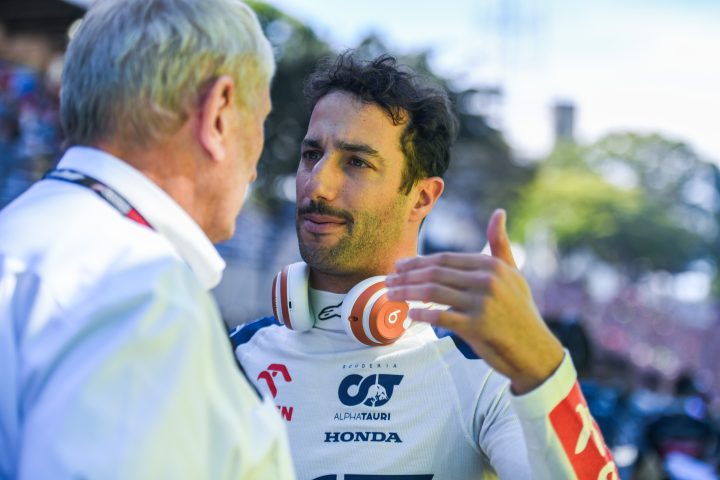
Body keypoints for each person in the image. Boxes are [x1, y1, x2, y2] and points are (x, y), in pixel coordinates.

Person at [232, 52, 619, 479]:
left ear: (422, 198)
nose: (317, 184)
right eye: (311, 154)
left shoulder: (476, 368)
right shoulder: (234, 356)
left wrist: (539, 362)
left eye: (357, 162)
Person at [0, 0, 295, 478]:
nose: (257, 164)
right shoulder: (140, 289)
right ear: (219, 114)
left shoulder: (23, 235)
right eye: (258, 119)